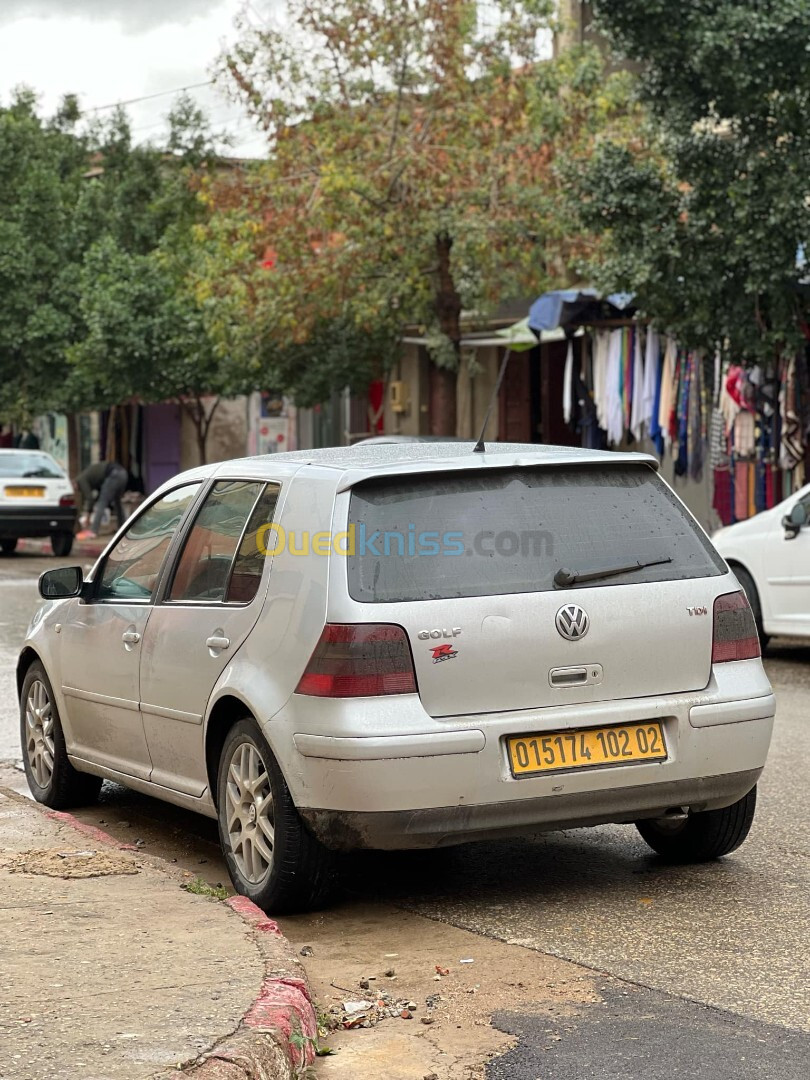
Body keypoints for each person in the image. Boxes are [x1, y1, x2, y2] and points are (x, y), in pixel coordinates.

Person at [74, 461, 129, 540]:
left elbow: (90, 498)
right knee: (117, 502)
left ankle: (93, 531)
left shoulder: (80, 480)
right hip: (123, 474)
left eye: (74, 489)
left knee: (102, 503)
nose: (76, 491)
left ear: (74, 483)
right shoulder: (88, 476)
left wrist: (88, 517)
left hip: (113, 475)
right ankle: (123, 528)